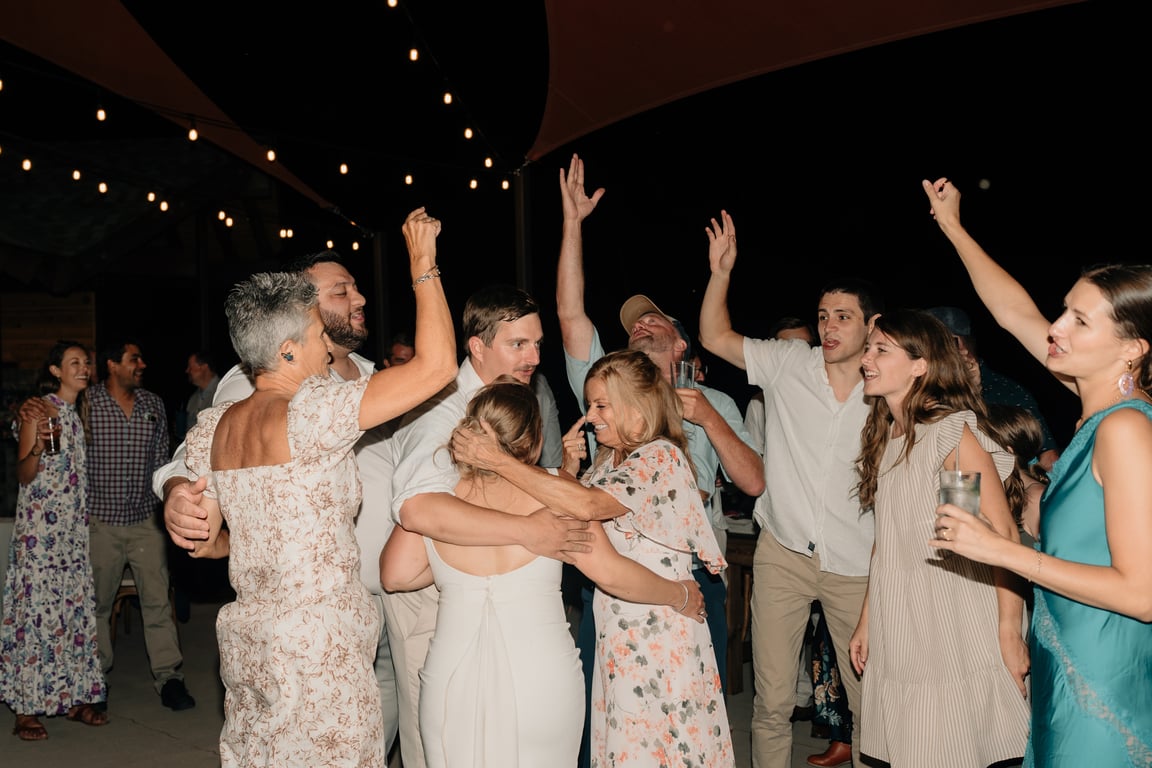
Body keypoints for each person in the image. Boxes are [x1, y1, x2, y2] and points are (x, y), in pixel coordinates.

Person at [181, 208, 457, 767]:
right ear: (286, 351)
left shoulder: (215, 426)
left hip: (249, 639)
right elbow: (436, 368)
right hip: (318, 648)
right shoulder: (311, 411)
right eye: (315, 339)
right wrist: (423, 265)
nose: (326, 349)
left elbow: (206, 541)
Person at [923, 176, 1152, 767]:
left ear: (1133, 349)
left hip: (1102, 683)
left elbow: (1143, 593)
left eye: (1080, 321)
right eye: (1063, 311)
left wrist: (1003, 551)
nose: (1056, 327)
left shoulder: (1126, 431)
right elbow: (1011, 312)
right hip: (1062, 661)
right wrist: (952, 226)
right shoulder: (1093, 415)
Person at [158, 246, 406, 757]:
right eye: (338, 292)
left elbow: (252, 517)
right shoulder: (281, 391)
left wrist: (228, 539)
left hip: (362, 593)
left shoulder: (362, 369)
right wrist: (178, 494)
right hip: (321, 626)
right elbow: (188, 466)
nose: (357, 297)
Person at [380, 377, 705, 767]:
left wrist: (457, 563)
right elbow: (613, 574)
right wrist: (680, 594)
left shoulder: (440, 502)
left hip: (452, 682)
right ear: (534, 441)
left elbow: (396, 574)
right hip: (540, 680)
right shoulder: (556, 490)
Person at [556, 156, 762, 764]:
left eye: (655, 320)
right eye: (631, 324)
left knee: (690, 713)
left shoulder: (714, 401)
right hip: (615, 574)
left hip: (695, 577)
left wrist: (707, 419)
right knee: (619, 715)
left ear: (680, 342)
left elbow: (752, 481)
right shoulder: (606, 401)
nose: (640, 323)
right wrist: (573, 225)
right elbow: (571, 314)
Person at [450, 349, 733, 766]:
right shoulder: (606, 464)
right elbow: (574, 511)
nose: (592, 414)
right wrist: (566, 467)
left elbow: (587, 507)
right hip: (618, 633)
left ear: (637, 409)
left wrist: (496, 460)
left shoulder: (660, 456)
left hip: (661, 634)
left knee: (669, 748)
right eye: (589, 404)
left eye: (602, 404)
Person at [699, 209, 882, 768]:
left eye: (843, 317)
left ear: (872, 327)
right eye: (824, 315)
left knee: (871, 705)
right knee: (772, 702)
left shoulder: (888, 391)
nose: (828, 327)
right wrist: (722, 273)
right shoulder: (787, 363)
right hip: (784, 552)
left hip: (857, 566)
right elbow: (712, 335)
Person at [383, 282, 593, 768]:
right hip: (435, 604)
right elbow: (418, 510)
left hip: (501, 594)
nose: (534, 356)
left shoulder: (517, 395)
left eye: (538, 343)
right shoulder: (441, 411)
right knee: (447, 747)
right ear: (477, 347)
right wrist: (527, 532)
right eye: (518, 344)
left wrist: (559, 481)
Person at [844, 308, 1029, 767]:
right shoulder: (889, 437)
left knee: (946, 745)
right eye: (868, 348)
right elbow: (887, 541)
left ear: (920, 365)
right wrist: (868, 620)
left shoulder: (947, 434)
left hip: (950, 614)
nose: (866, 358)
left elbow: (999, 532)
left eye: (880, 349)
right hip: (902, 615)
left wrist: (1009, 630)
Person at [1, 342, 107, 740]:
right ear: (55, 371)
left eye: (86, 362)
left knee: (71, 614)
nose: (83, 368)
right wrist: (40, 449)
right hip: (40, 538)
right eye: (73, 363)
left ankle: (73, 697)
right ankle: (26, 707)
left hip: (71, 535)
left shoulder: (79, 413)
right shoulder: (40, 410)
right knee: (36, 616)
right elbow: (24, 475)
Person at [86, 338, 194, 712]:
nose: (142, 364)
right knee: (97, 605)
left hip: (147, 521)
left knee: (156, 602)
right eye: (135, 358)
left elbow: (162, 460)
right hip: (101, 521)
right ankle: (94, 682)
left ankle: (169, 679)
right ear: (113, 365)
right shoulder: (88, 404)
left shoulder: (152, 404)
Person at [924, 305, 1061, 471]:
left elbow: (1048, 458)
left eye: (933, 346)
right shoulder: (922, 391)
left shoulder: (1007, 392)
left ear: (959, 345)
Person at [179, 350, 219, 440]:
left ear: (204, 367)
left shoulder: (222, 392)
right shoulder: (193, 399)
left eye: (190, 367)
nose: (187, 371)